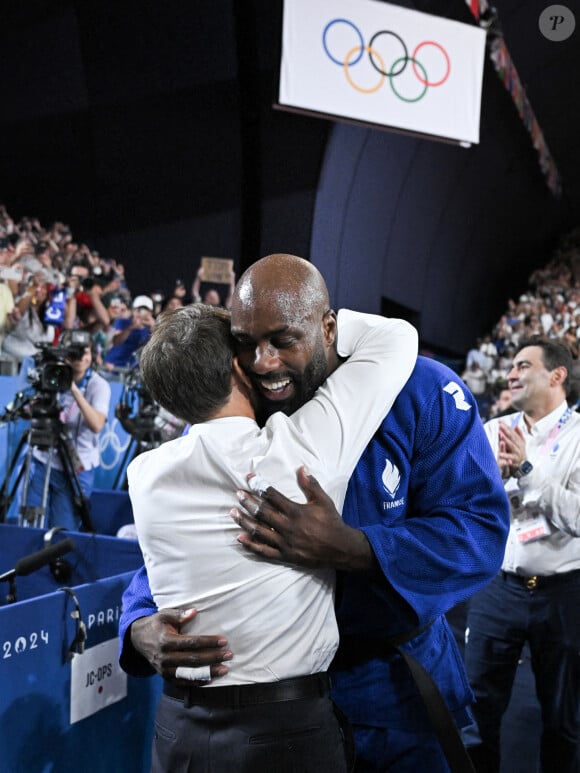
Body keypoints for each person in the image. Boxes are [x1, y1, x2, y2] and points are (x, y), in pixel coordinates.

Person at [118, 254, 510, 772]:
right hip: (266, 710)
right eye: (245, 343)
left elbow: (480, 531)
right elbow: (188, 536)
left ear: (329, 327)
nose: (262, 362)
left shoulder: (423, 391)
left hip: (390, 695)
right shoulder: (239, 403)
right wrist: (139, 622)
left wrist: (358, 549)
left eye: (283, 340)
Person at [463, 336, 580, 773]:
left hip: (563, 594)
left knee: (561, 717)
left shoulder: (577, 437)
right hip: (498, 590)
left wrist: (527, 472)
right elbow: (461, 506)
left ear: (556, 375)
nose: (510, 374)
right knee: (476, 714)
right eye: (510, 366)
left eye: (522, 365)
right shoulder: (491, 431)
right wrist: (489, 480)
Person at [20, 330, 111, 530]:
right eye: (74, 352)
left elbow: (97, 425)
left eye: (84, 352)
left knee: (64, 529)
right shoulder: (50, 375)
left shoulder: (99, 385)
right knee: (30, 524)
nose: (80, 357)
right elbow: (27, 412)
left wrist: (72, 388)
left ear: (92, 355)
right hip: (44, 460)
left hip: (76, 468)